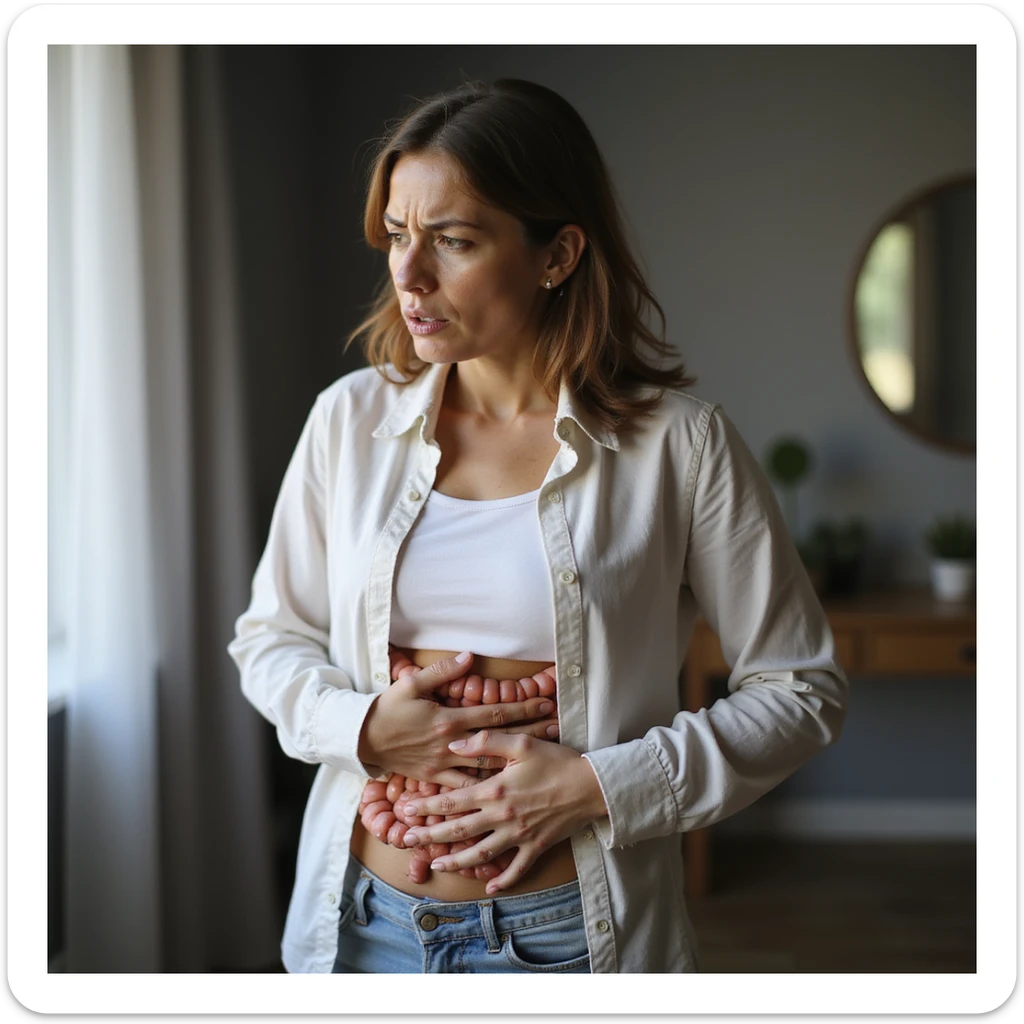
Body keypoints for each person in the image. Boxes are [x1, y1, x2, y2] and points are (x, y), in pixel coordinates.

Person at [228, 78, 848, 974]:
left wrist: (598, 786)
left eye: (454, 240)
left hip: (569, 940)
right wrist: (363, 727)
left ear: (557, 254)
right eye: (399, 235)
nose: (409, 273)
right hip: (360, 926)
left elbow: (800, 690)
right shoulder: (347, 421)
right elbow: (269, 639)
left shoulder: (679, 446)